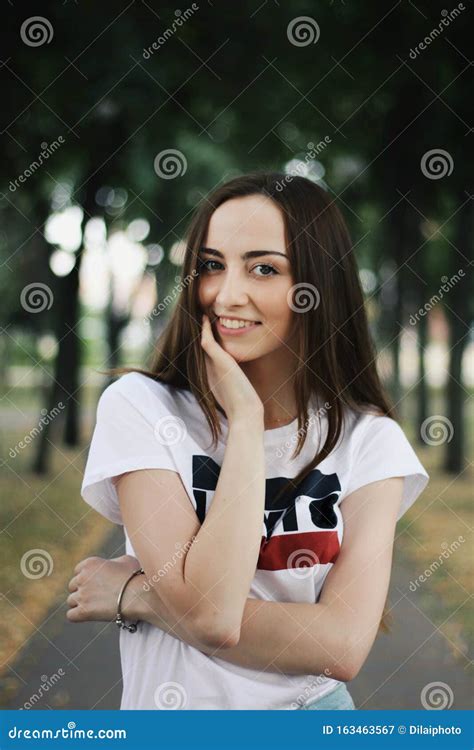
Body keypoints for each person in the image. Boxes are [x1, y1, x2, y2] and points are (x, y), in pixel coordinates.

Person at [66, 172, 429, 710]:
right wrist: (244, 420)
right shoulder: (142, 407)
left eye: (264, 268)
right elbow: (211, 615)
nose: (226, 294)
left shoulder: (370, 440)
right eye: (212, 266)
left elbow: (343, 648)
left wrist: (140, 594)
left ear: (316, 288)